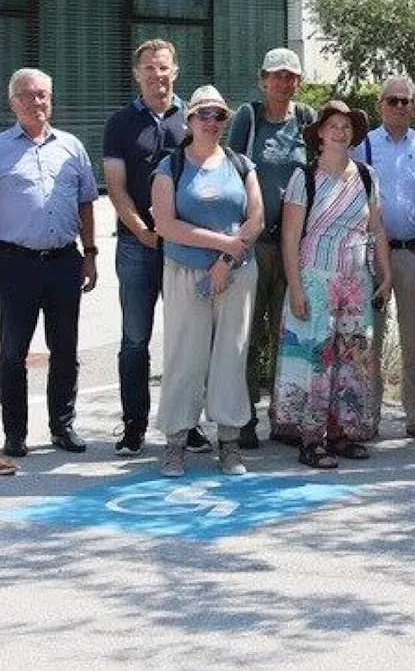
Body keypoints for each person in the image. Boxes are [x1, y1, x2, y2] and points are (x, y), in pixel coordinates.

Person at [103, 38, 213, 456]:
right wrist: (145, 231)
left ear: (175, 71)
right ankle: (134, 427)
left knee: (187, 337)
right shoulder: (119, 123)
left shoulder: (193, 121)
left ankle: (189, 423)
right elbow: (116, 188)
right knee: (135, 339)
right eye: (148, 68)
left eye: (163, 67)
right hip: (137, 246)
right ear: (137, 75)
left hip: (185, 249)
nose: (156, 75)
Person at [150, 85, 265, 477]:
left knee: (231, 355)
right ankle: (176, 442)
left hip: (236, 273)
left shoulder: (241, 164)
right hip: (185, 271)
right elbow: (165, 225)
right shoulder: (170, 167)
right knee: (185, 355)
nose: (211, 122)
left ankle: (229, 442)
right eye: (204, 115)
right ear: (189, 120)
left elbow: (256, 218)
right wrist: (225, 245)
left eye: (219, 116)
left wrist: (228, 258)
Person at [274, 101, 392, 469]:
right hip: (315, 279)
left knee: (351, 358)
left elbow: (377, 229)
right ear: (320, 134)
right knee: (316, 357)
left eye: (347, 126)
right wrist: (295, 287)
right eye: (333, 126)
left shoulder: (367, 176)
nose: (341, 132)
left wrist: (385, 274)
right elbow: (290, 237)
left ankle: (341, 433)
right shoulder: (304, 178)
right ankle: (311, 439)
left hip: (356, 281)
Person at [0, 68, 99, 463]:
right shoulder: (2, 147)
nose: (36, 102)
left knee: (65, 348)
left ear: (51, 99)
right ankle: (16, 434)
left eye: (42, 95)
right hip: (14, 264)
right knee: (11, 353)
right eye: (27, 95)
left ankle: (62, 426)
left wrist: (90, 252)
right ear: (13, 102)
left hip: (64, 262)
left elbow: (86, 201)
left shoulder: (72, 147)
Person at [226, 47, 317, 449]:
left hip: (295, 245)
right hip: (255, 243)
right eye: (276, 76)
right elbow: (231, 172)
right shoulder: (249, 118)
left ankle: (285, 416)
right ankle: (243, 417)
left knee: (289, 335)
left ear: (299, 81)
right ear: (263, 79)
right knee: (248, 333)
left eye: (290, 76)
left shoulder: (307, 120)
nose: (283, 82)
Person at [353, 76, 415, 443]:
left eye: (406, 101)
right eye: (392, 101)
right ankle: (368, 416)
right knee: (370, 339)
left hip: (413, 254)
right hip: (372, 256)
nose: (399, 107)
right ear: (379, 105)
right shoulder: (362, 146)